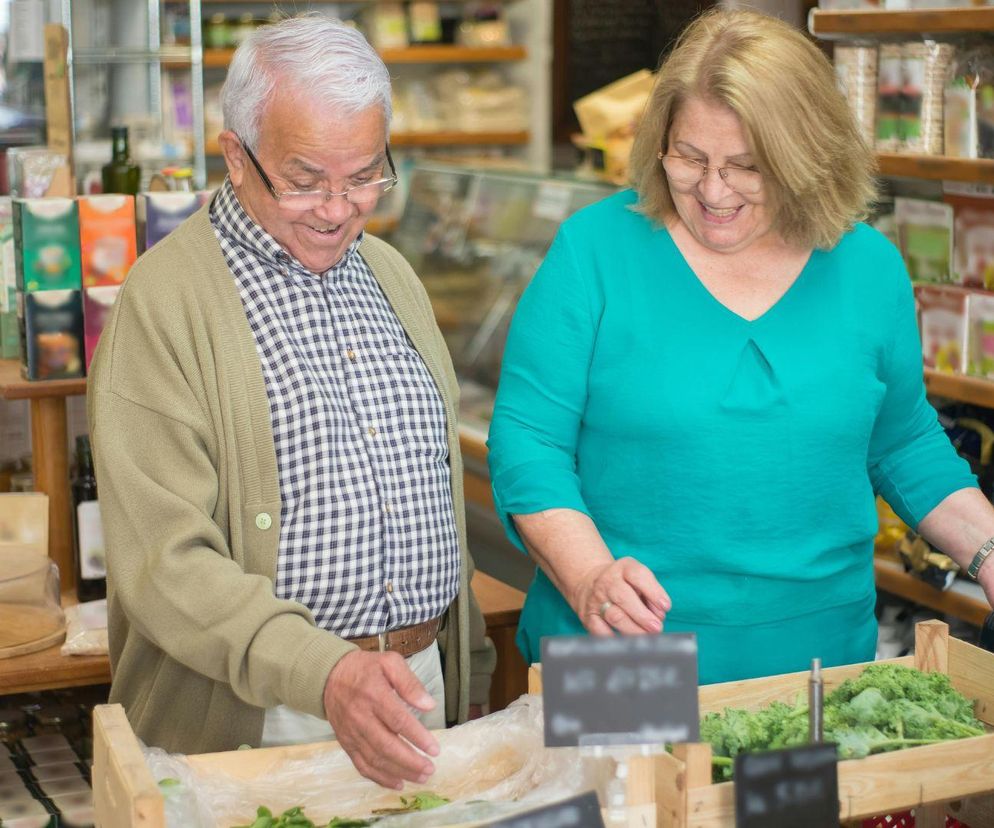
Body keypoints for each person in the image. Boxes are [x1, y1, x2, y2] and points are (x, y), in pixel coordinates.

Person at [486, 8, 994, 685]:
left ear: (805, 156)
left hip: (819, 660)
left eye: (747, 166)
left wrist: (988, 553)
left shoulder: (867, 267)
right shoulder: (595, 252)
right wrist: (587, 577)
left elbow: (901, 442)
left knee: (805, 796)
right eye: (689, 158)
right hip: (624, 656)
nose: (713, 191)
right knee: (627, 798)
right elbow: (528, 443)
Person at [87, 15, 495, 790]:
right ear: (235, 156)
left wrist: (456, 658)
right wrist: (324, 671)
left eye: (366, 176)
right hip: (258, 712)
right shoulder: (164, 302)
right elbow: (163, 564)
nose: (338, 209)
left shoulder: (392, 277)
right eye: (306, 180)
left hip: (417, 690)